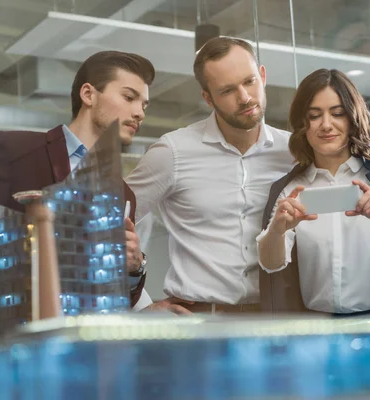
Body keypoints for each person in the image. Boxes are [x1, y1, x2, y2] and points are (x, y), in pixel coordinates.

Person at [0, 51, 157, 363]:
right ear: (88, 94)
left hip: (78, 365)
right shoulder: (16, 151)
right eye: (129, 97)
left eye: (144, 105)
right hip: (2, 355)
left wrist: (133, 270)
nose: (139, 112)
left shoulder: (123, 194)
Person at [126, 37, 294, 313]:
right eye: (228, 90)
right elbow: (106, 224)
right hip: (199, 321)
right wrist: (142, 310)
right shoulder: (173, 152)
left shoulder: (293, 152)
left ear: (262, 76)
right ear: (208, 98)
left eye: (250, 81)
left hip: (277, 318)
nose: (245, 97)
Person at [257, 68, 370, 316]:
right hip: (320, 329)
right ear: (303, 123)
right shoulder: (289, 189)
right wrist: (278, 230)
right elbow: (271, 266)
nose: (326, 125)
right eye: (314, 115)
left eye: (337, 113)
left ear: (353, 118)